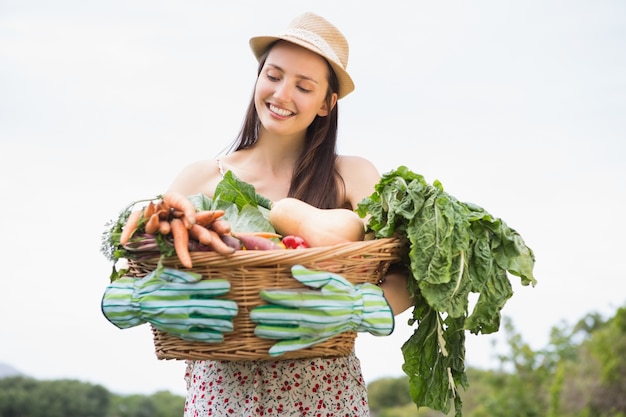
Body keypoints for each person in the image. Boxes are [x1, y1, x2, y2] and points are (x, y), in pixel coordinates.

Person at [104, 12, 413, 416]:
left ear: (326, 103)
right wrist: (138, 299)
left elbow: (408, 275)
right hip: (221, 399)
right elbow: (137, 268)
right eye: (273, 75)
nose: (282, 95)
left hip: (325, 398)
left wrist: (358, 307)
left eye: (304, 86)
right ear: (258, 77)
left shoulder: (352, 176)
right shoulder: (201, 178)